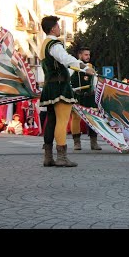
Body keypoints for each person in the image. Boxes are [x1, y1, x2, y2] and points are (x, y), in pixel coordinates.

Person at [39, 16, 95, 168]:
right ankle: (62, 157)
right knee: (62, 121)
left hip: (50, 85)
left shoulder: (43, 44)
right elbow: (65, 58)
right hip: (59, 86)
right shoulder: (54, 44)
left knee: (51, 121)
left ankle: (48, 157)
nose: (59, 28)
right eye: (58, 26)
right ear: (52, 28)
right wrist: (84, 67)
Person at [70, 47, 102, 151]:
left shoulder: (92, 67)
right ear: (80, 55)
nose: (88, 57)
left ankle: (94, 142)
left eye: (89, 55)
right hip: (78, 95)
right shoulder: (73, 65)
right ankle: (77, 142)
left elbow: (95, 80)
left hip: (90, 95)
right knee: (76, 118)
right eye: (86, 54)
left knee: (92, 117)